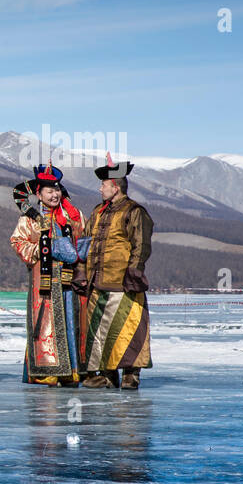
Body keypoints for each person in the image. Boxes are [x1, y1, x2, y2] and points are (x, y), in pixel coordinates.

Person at [76, 154, 153, 389]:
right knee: (100, 331)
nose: (100, 189)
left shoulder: (134, 211)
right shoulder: (97, 212)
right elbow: (84, 244)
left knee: (128, 329)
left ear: (116, 187)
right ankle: (106, 374)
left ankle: (131, 374)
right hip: (97, 281)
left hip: (123, 282)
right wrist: (81, 270)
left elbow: (141, 246)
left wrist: (134, 272)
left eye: (104, 185)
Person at [9, 163, 86, 385]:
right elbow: (17, 241)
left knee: (71, 320)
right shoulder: (30, 218)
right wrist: (43, 250)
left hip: (68, 279)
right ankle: (46, 370)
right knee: (45, 322)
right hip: (42, 277)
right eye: (49, 191)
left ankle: (72, 370)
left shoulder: (72, 215)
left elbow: (83, 239)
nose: (54, 194)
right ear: (39, 194)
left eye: (57, 190)